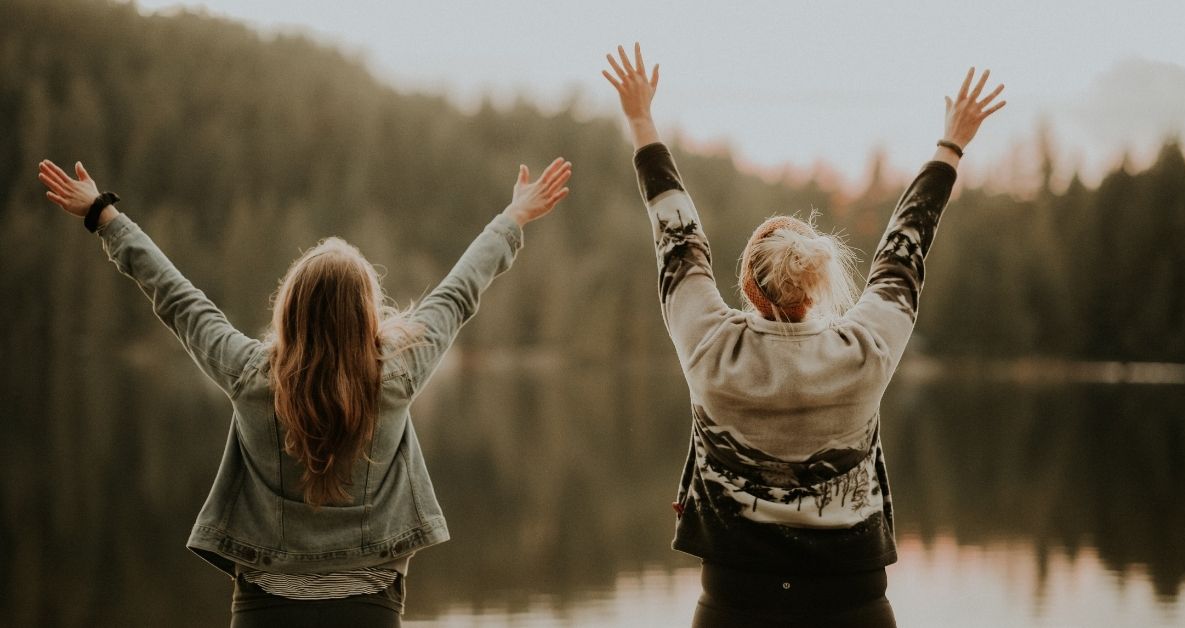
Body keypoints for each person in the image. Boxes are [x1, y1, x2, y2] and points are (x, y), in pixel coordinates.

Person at [37, 156, 571, 627]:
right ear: (366, 313)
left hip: (265, 608)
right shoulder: (395, 377)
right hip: (370, 611)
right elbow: (457, 293)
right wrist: (513, 217)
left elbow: (178, 298)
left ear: (288, 309)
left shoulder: (250, 375)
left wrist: (103, 216)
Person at [603, 43, 1005, 627]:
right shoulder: (863, 351)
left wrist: (641, 120)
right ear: (816, 287)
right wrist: (951, 145)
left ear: (749, 289)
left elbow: (677, 237)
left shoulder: (711, 348)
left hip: (735, 600)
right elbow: (904, 248)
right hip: (853, 601)